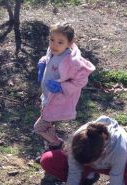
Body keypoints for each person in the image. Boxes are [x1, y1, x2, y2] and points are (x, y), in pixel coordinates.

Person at [34, 22, 95, 153]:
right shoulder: (53, 50)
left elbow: (81, 81)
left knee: (39, 128)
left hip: (57, 101)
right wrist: (43, 62)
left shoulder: (71, 61)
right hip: (47, 98)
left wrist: (62, 87)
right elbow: (50, 58)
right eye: (52, 40)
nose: (54, 45)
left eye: (60, 42)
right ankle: (51, 152)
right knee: (49, 127)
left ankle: (58, 144)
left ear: (69, 43)